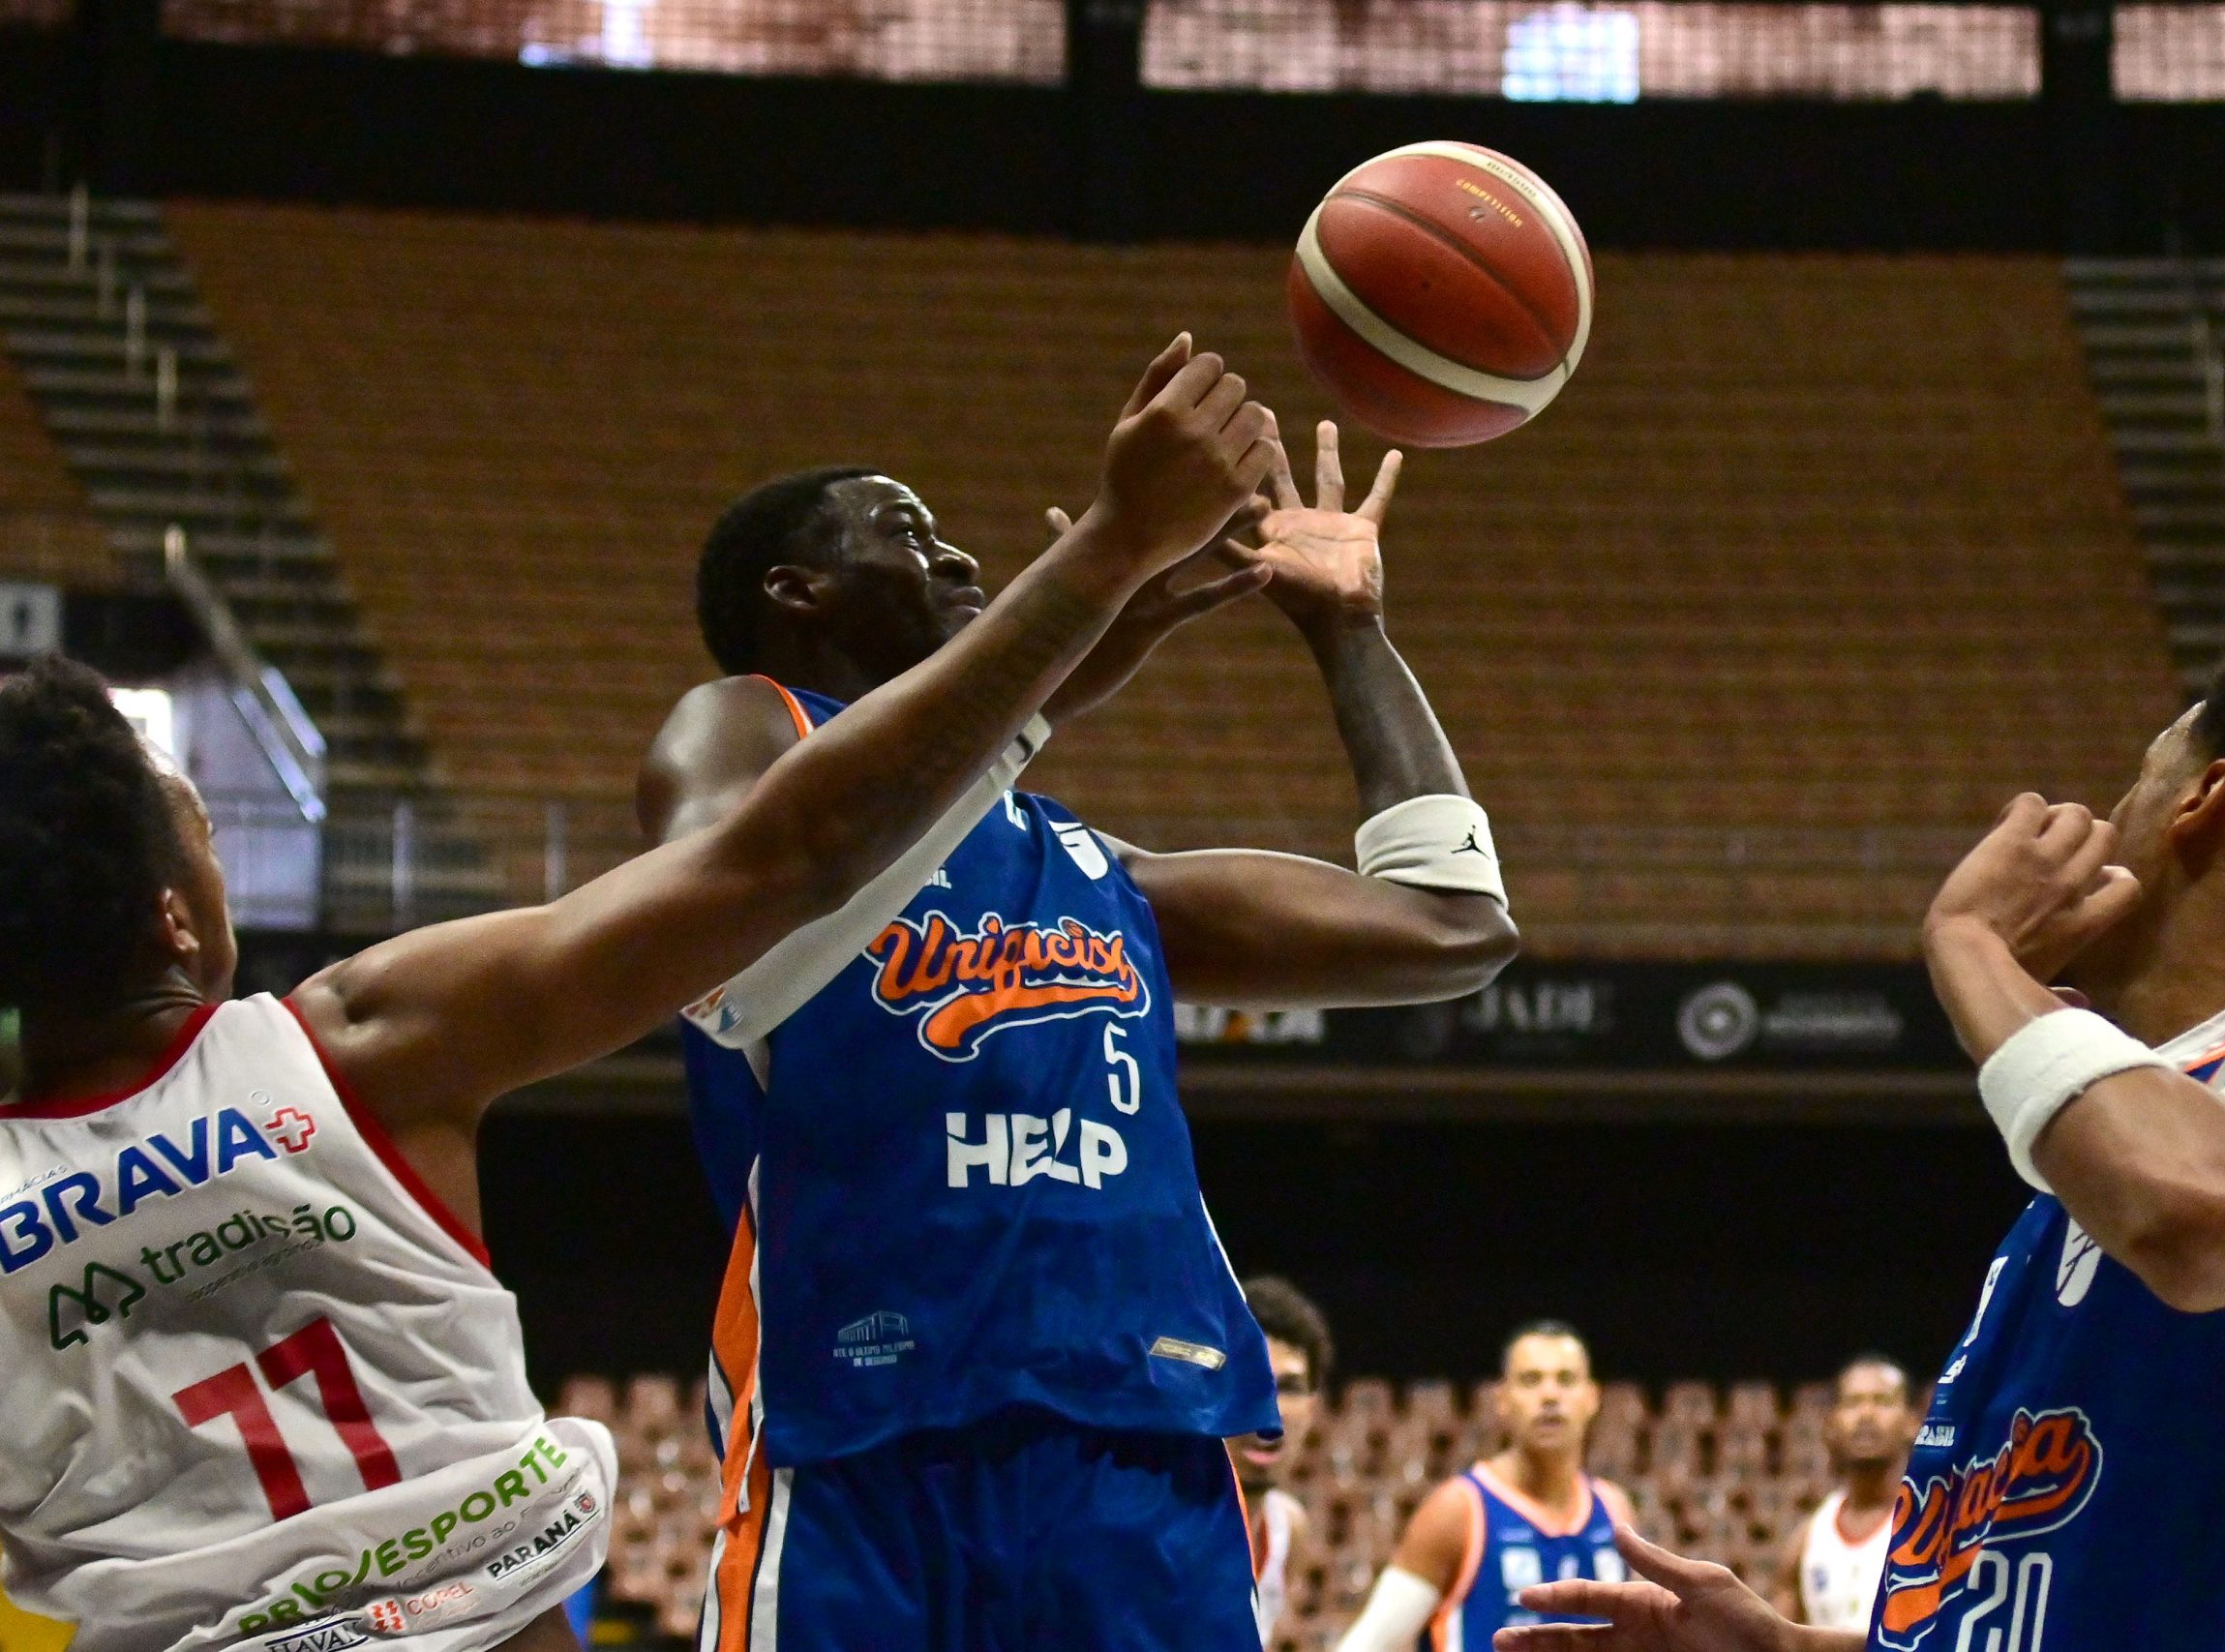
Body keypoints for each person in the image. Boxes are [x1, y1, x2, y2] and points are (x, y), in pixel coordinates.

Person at [0, 336, 1281, 1652]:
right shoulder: (365, 1038)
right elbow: (786, 861)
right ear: (173, 914)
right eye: (203, 837)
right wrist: (1105, 556)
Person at [638, 409, 1518, 1652]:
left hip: (1141, 1457)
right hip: (865, 1446)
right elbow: (746, 899)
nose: (958, 559)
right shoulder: (739, 728)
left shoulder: (1094, 871)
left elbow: (1451, 923)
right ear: (797, 590)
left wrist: (1348, 630)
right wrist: (1051, 656)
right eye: (907, 533)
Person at [1498, 613, 2225, 1652]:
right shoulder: (2087, 1176)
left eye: (2136, 784)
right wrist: (1787, 1648)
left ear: (2202, 799)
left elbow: (2197, 1221)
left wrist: (1971, 943)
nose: (2106, 818)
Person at [1338, 1322, 1638, 1652]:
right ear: (1502, 1399)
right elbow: (1364, 1645)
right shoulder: (1458, 1510)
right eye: (1531, 1380)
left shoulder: (1614, 1509)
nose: (1550, 1395)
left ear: (1592, 1397)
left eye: (1566, 1380)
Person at [1766, 1357, 1914, 1631]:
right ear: (1832, 1423)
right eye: (1853, 1402)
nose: (1866, 1414)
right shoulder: (1807, 1540)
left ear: (1912, 1421)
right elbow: (1779, 1640)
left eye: (1882, 1401)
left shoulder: (1933, 1526)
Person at [1230, 1275, 1336, 1647]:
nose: (1270, 1415)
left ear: (1314, 1408)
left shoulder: (1287, 1528)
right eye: (1248, 1382)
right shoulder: (1159, 1527)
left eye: (1289, 1388)